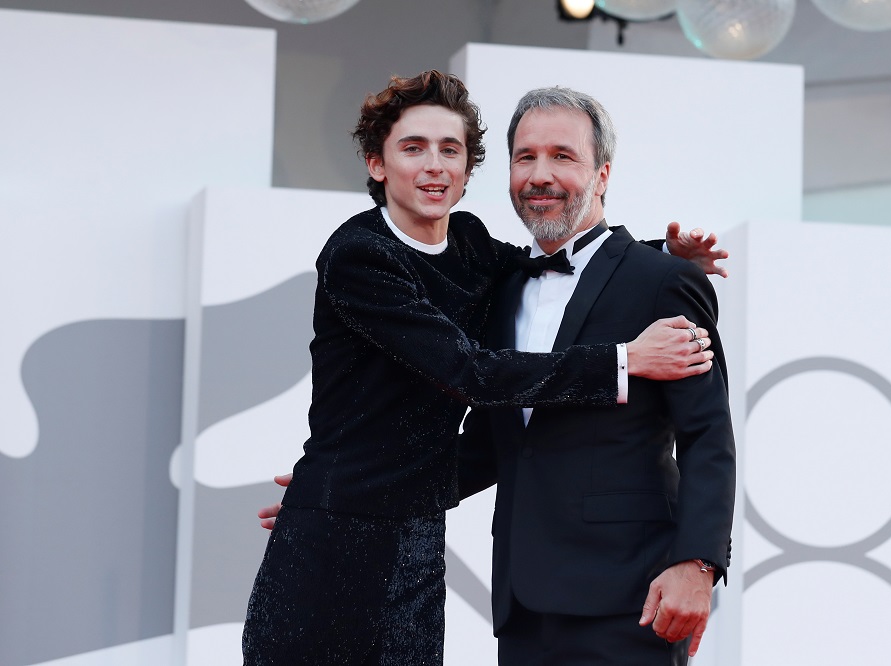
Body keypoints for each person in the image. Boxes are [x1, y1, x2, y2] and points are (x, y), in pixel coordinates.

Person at [242, 70, 725, 666]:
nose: (434, 166)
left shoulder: (474, 249)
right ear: (377, 164)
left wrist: (660, 257)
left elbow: (704, 433)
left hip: (545, 573)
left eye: (451, 150)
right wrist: (622, 361)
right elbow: (474, 381)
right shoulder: (361, 255)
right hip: (369, 550)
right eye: (412, 148)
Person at [454, 87, 736, 665]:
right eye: (525, 157)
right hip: (522, 606)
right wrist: (349, 492)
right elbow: (487, 446)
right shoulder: (501, 287)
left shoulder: (663, 280)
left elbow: (707, 436)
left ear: (602, 174)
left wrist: (698, 564)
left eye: (563, 156)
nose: (540, 174)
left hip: (630, 599)